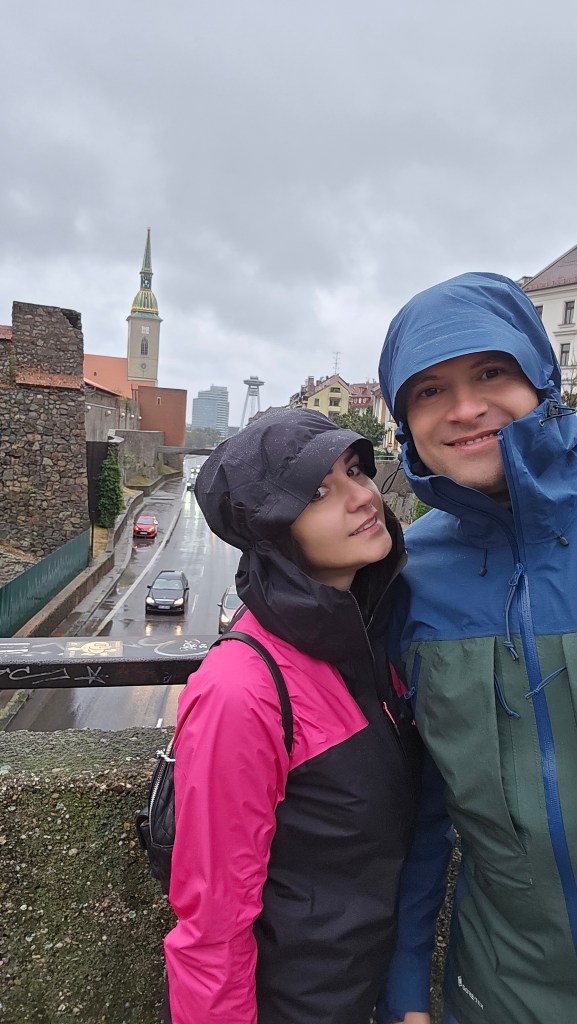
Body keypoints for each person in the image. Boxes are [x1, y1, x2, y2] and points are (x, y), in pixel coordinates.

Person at [164, 409, 421, 1024]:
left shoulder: (366, 636)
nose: (363, 496)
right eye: (318, 492)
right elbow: (213, 926)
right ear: (274, 533)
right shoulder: (243, 688)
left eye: (355, 470)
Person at [375, 272, 577, 1024]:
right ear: (403, 420)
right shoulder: (406, 576)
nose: (463, 409)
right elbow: (422, 804)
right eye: (429, 390)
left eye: (491, 372)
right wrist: (406, 989)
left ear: (540, 381)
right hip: (502, 989)